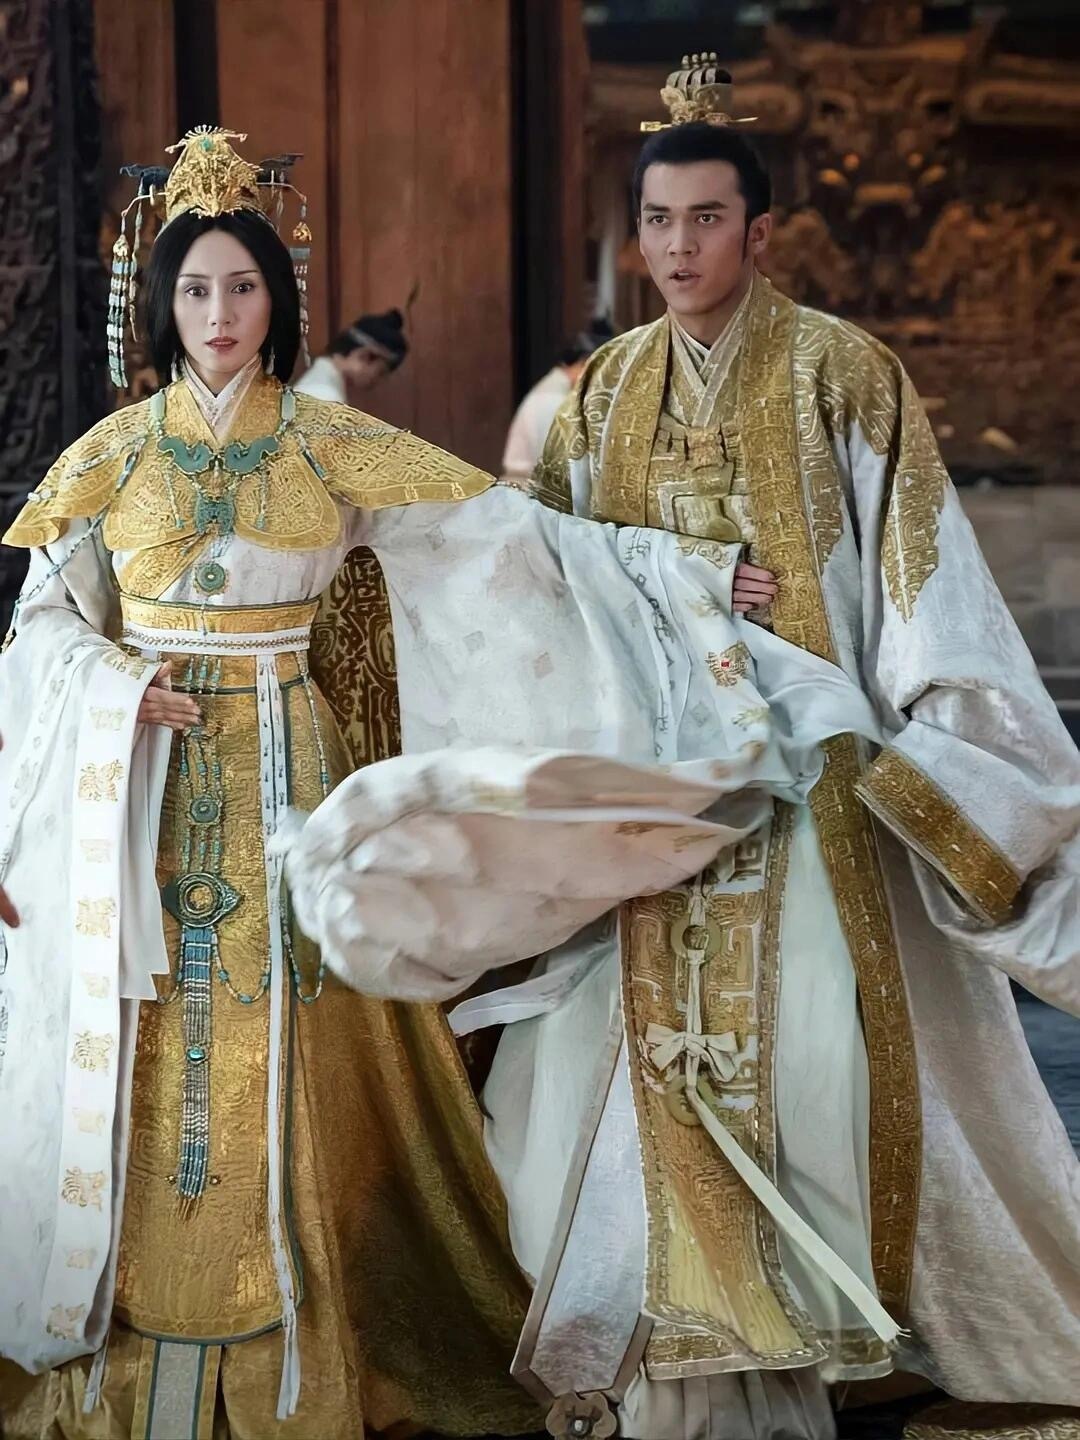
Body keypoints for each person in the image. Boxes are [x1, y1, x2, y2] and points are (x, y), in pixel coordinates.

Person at [282, 57, 1080, 1440]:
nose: (679, 247)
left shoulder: (845, 374)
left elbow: (922, 580)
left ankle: (837, 1344)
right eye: (657, 221)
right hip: (658, 794)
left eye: (707, 219)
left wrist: (924, 752)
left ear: (758, 232)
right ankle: (660, 1359)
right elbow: (548, 579)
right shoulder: (600, 396)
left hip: (813, 792)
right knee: (599, 1083)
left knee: (823, 1066)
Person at [0, 128, 542, 1440]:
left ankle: (315, 1335)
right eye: (196, 289)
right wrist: (118, 687)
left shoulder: (330, 442)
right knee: (151, 1030)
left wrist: (667, 571)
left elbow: (503, 540)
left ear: (277, 300)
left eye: (243, 287)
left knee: (301, 1031)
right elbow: (41, 624)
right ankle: (128, 1343)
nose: (220, 314)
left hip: (292, 779)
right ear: (163, 305)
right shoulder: (113, 453)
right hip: (143, 783)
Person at [501, 318, 614, 485]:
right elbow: (559, 468)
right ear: (584, 364)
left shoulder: (557, 393)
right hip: (528, 489)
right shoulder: (553, 399)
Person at [294, 307, 408, 407]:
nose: (377, 381)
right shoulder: (324, 397)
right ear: (365, 356)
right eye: (380, 373)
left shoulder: (321, 387)